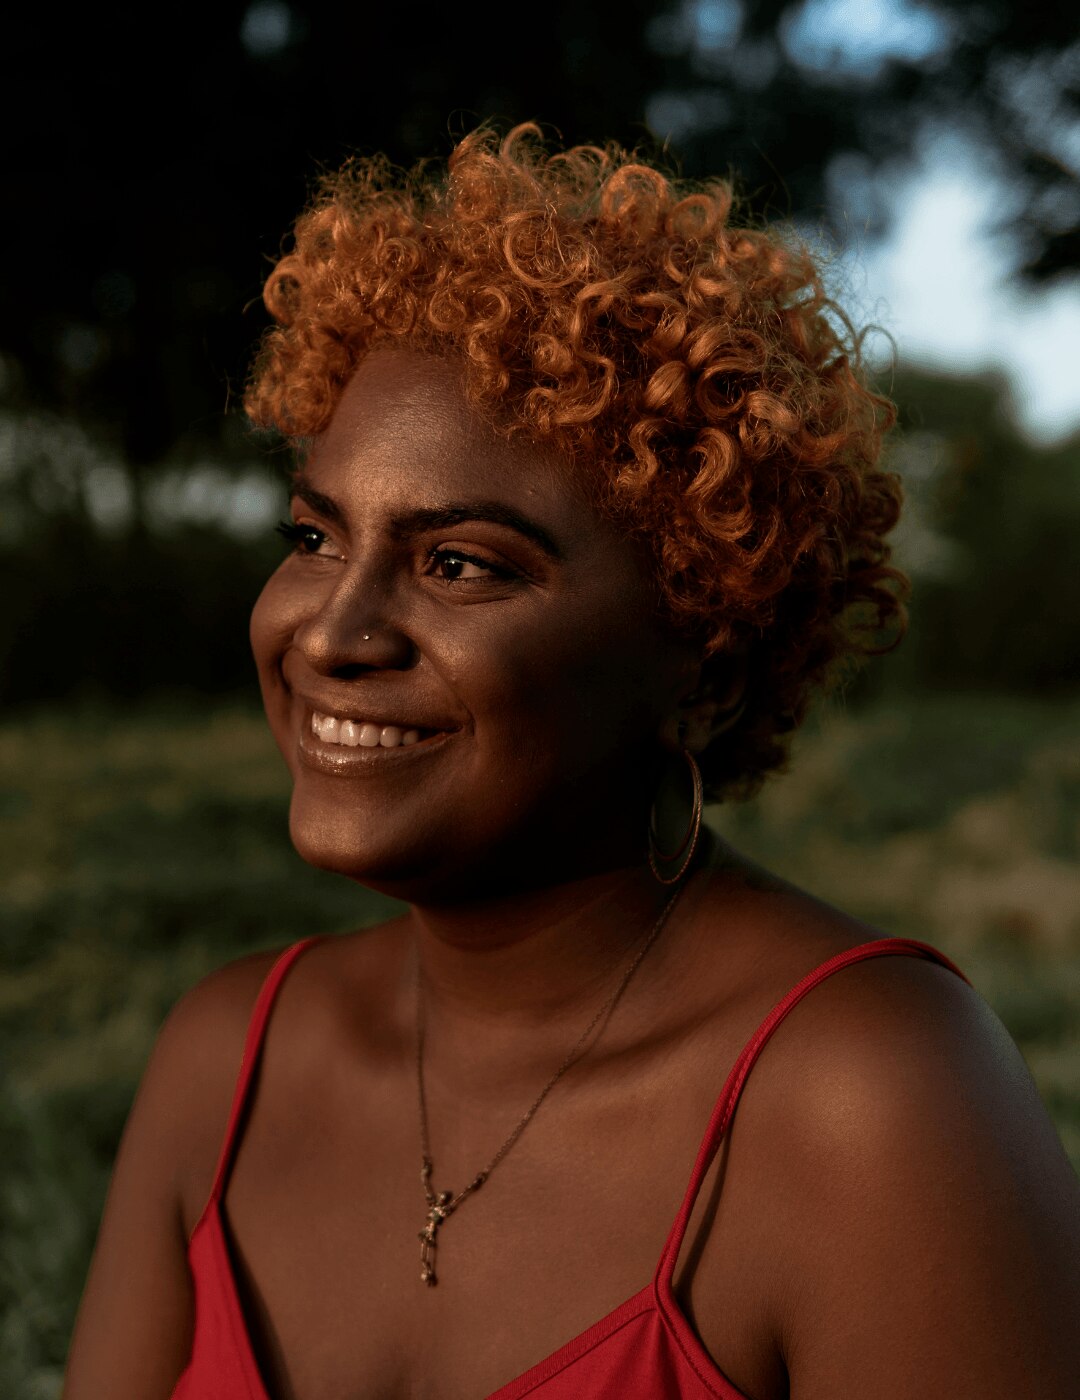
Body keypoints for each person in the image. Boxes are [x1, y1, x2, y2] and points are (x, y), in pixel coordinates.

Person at [64, 125, 1080, 1400]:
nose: (332, 629)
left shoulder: (871, 1099)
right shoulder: (225, 1061)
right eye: (317, 534)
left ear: (701, 665)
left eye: (461, 562)